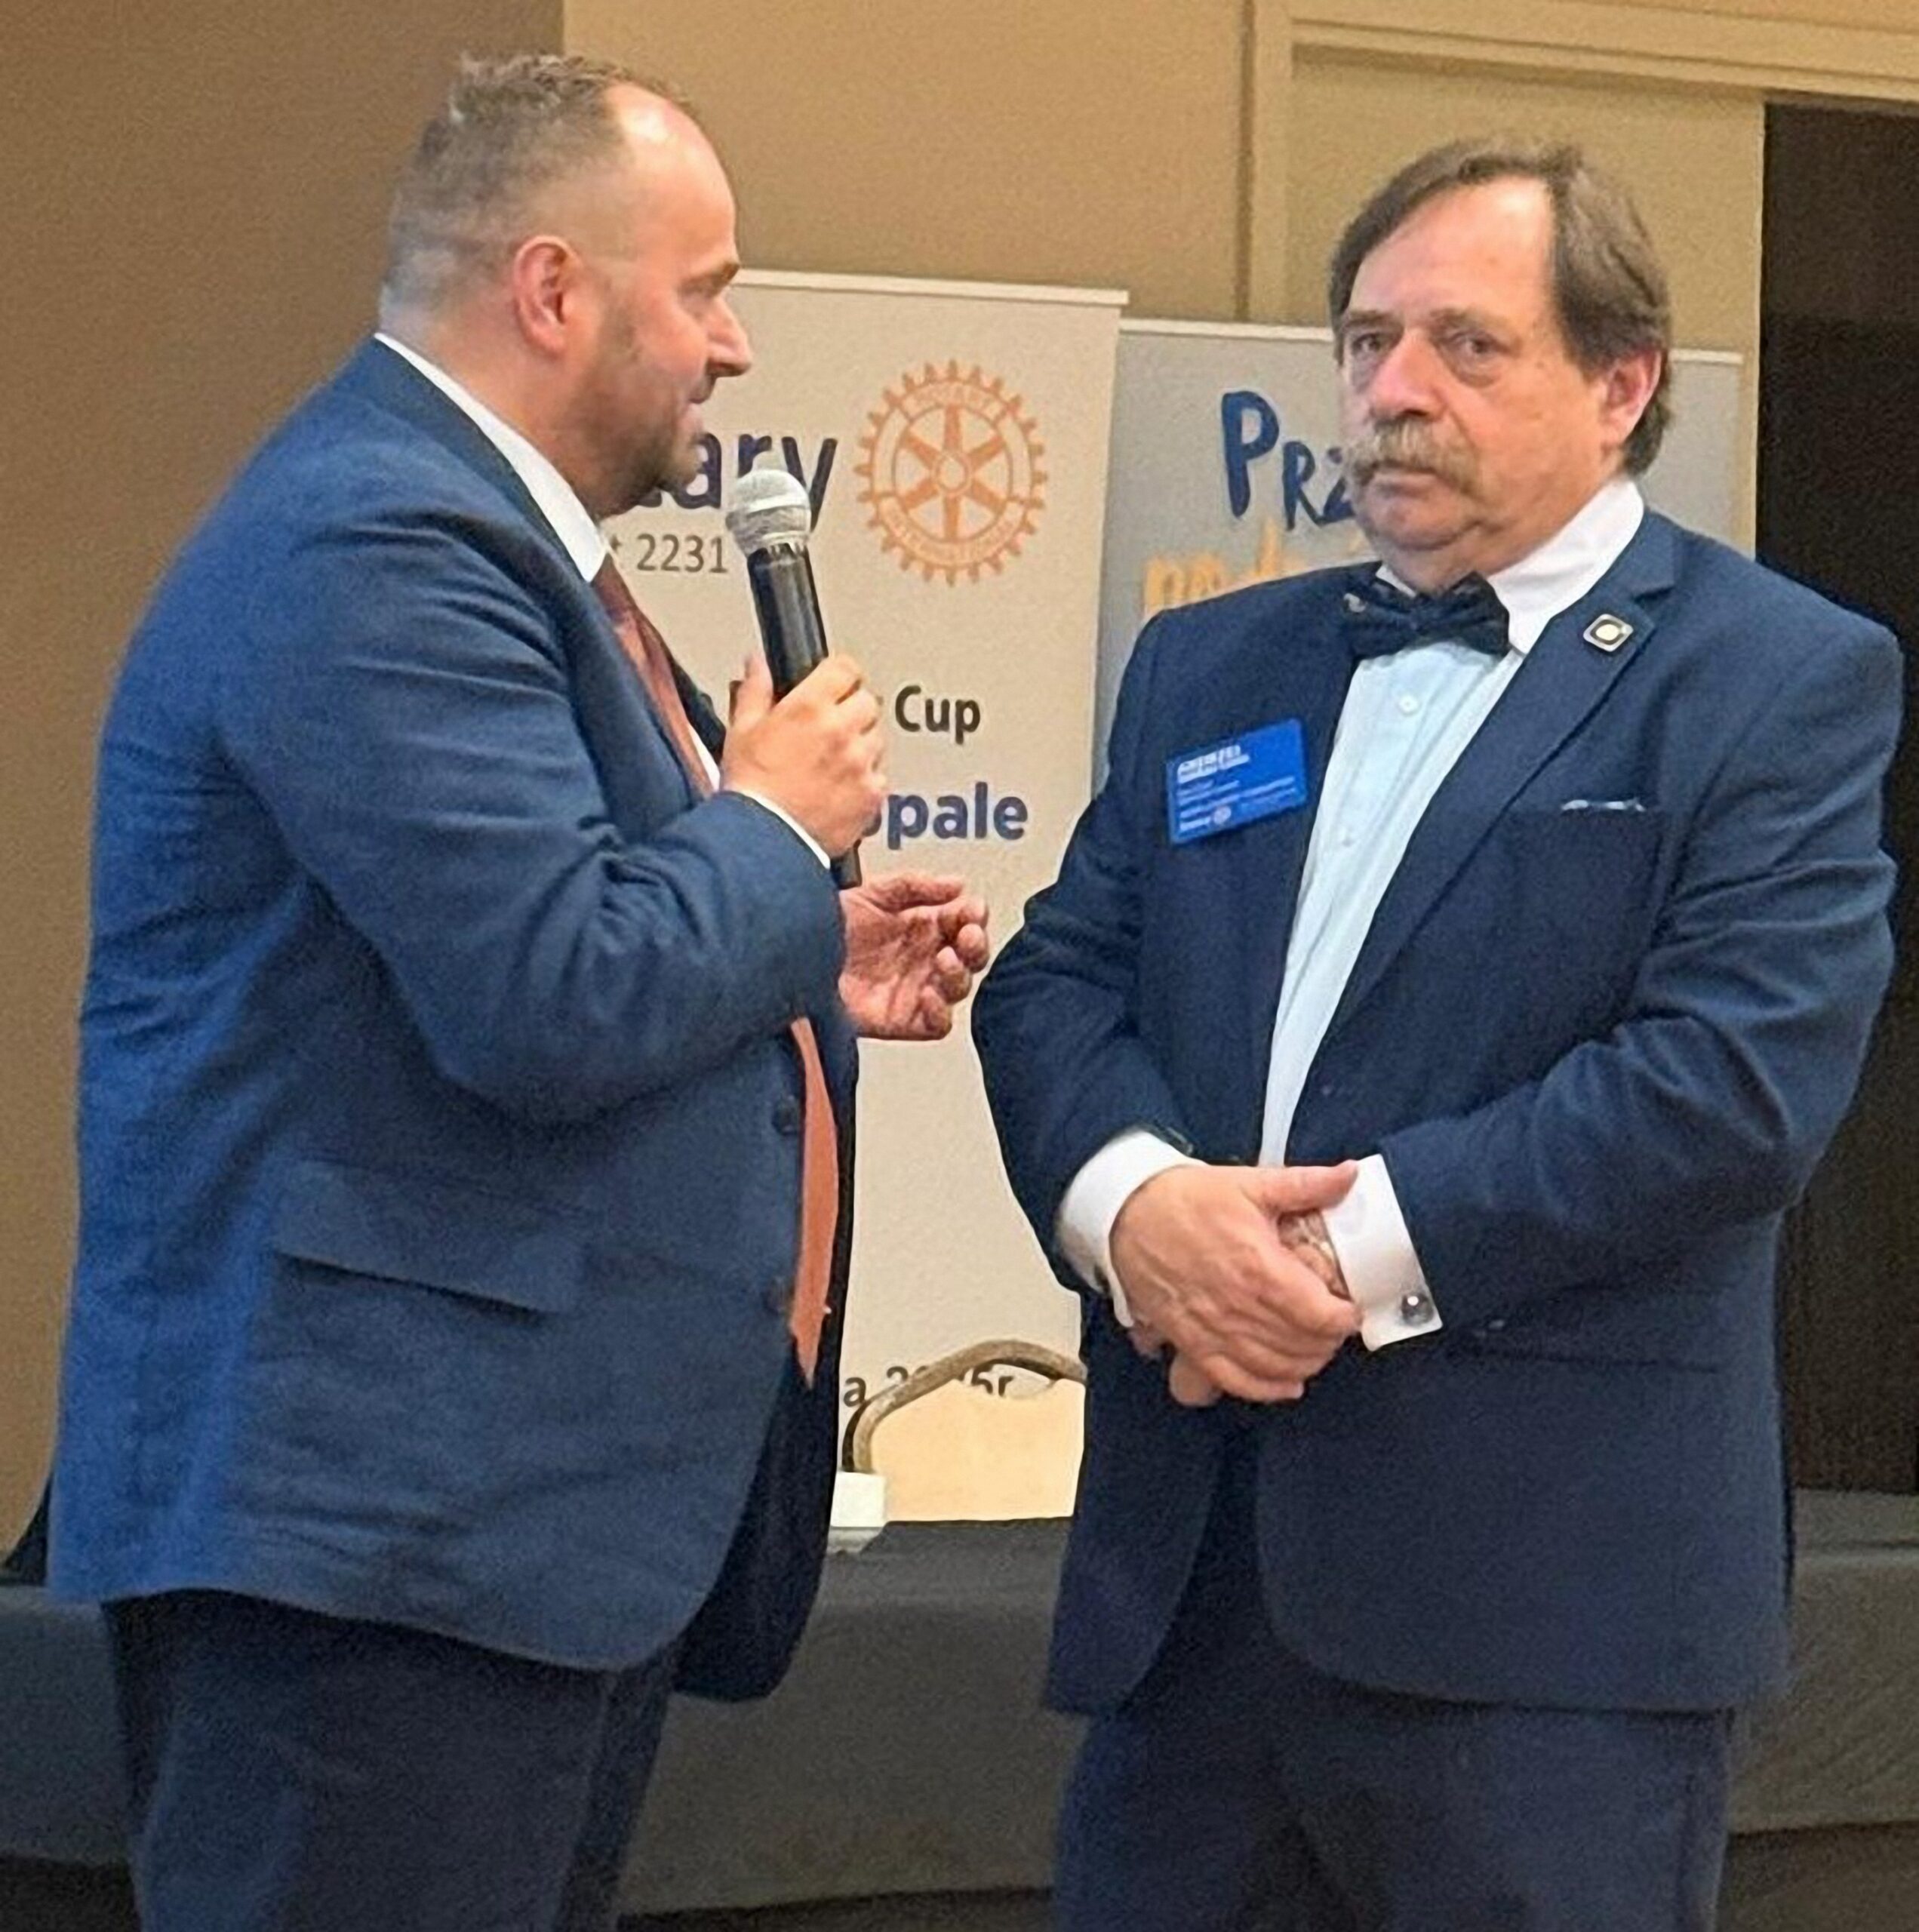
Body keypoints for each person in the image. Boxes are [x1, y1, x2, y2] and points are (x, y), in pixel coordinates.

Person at [49, 52, 987, 1932]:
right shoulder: (383, 538)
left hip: (499, 1544)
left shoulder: (497, 546)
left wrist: (800, 948)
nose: (733, 347)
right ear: (555, 290)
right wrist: (772, 828)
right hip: (381, 1555)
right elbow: (550, 995)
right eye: (706, 292)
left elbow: (556, 939)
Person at [973, 137, 1901, 1930]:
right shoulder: (1211, 667)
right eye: (1367, 340)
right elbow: (1057, 980)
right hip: (1194, 1605)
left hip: (1548, 1636)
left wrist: (1321, 1258)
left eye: (1466, 345)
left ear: (1622, 385)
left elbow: (1731, 1081)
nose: (1394, 390)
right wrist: (1138, 1208)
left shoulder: (1773, 676)